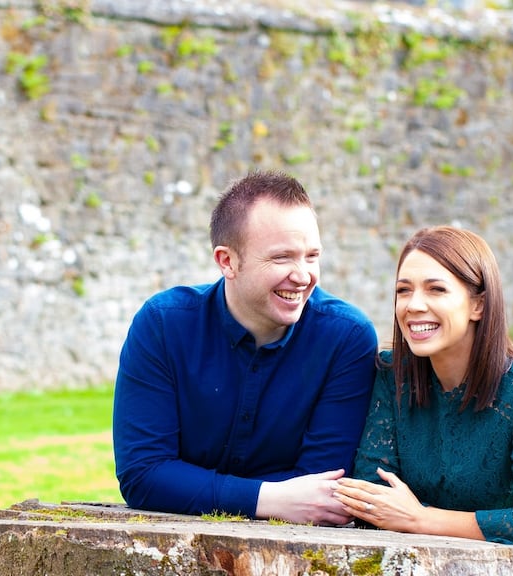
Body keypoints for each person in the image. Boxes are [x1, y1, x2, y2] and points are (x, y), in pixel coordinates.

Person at [113, 170, 378, 526]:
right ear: (227, 261)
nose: (303, 276)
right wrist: (269, 498)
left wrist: (189, 485)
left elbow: (322, 490)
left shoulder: (346, 338)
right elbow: (143, 474)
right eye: (282, 258)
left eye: (312, 256)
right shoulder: (163, 325)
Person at [333, 225, 513, 552]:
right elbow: (370, 498)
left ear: (479, 305)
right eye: (404, 290)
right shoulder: (393, 375)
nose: (413, 305)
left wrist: (420, 519)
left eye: (436, 289)